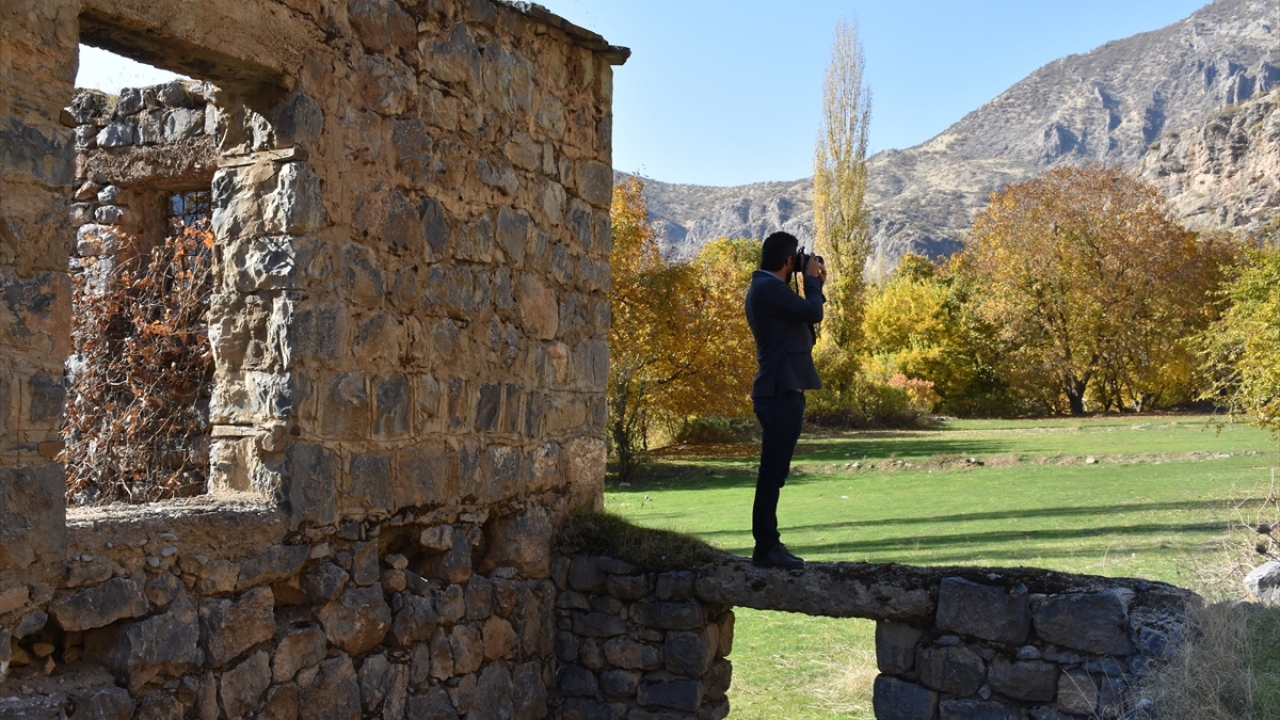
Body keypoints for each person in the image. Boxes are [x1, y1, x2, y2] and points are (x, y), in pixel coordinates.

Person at [744, 231, 826, 570]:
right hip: (779, 392)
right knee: (772, 474)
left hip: (782, 389)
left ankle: (770, 543)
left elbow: (806, 325)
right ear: (789, 261)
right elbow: (814, 313)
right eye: (798, 260)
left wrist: (813, 282)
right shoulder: (768, 288)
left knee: (774, 473)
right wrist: (810, 281)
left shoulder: (769, 289)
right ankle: (765, 547)